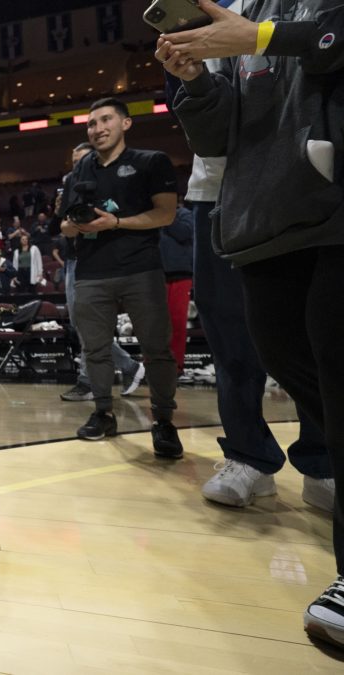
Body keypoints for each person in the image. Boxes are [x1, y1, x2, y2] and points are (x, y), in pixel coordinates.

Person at [159, 0, 344, 646]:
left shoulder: (256, 20)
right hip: (263, 222)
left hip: (331, 211)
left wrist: (260, 37)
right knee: (292, 366)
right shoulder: (240, 10)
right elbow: (217, 137)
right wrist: (194, 79)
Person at [58, 97, 181, 455]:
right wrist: (78, 225)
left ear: (125, 123)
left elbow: (166, 214)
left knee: (156, 349)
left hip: (140, 269)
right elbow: (65, 226)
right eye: (91, 124)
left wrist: (116, 222)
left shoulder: (150, 161)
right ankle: (103, 414)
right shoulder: (79, 173)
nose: (97, 129)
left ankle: (164, 422)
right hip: (91, 272)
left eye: (105, 120)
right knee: (94, 350)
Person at [58, 141, 145, 402]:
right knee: (79, 324)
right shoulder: (71, 187)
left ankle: (89, 381)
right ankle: (128, 366)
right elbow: (63, 225)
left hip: (100, 261)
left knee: (89, 324)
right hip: (74, 259)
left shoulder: (107, 187)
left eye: (82, 160)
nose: (77, 166)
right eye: (74, 162)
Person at [159, 203, 193, 372]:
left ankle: (176, 365)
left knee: (177, 322)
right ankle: (156, 364)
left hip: (182, 274)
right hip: (158, 274)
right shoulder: (153, 217)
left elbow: (184, 234)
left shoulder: (184, 213)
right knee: (156, 323)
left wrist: (167, 216)